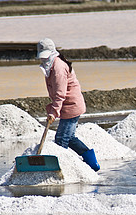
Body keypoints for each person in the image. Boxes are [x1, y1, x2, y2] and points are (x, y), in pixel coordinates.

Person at [37, 38, 100, 171]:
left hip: (71, 106)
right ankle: (92, 163)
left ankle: (62, 168)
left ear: (52, 52)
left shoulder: (58, 67)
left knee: (61, 139)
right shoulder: (51, 65)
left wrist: (54, 112)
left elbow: (60, 94)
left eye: (45, 56)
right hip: (68, 106)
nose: (43, 60)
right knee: (69, 138)